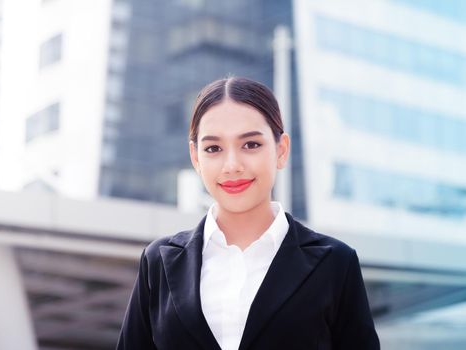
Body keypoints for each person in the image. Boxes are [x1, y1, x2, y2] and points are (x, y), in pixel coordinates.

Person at [116, 77, 380, 350]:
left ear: (281, 149)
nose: (232, 166)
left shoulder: (335, 263)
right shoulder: (159, 261)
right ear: (196, 158)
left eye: (251, 145)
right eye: (213, 148)